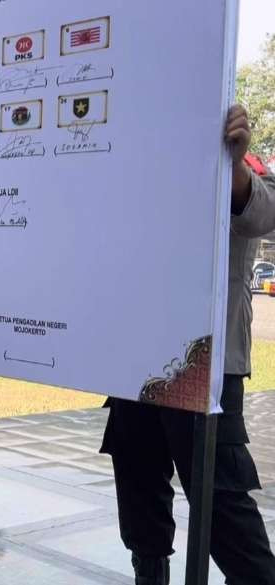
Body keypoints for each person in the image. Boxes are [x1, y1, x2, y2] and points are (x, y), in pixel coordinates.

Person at [100, 105, 275, 585]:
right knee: (138, 493)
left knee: (221, 506)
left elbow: (262, 215)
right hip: (135, 357)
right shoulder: (142, 160)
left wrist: (234, 162)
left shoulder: (241, 158)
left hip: (206, 360)